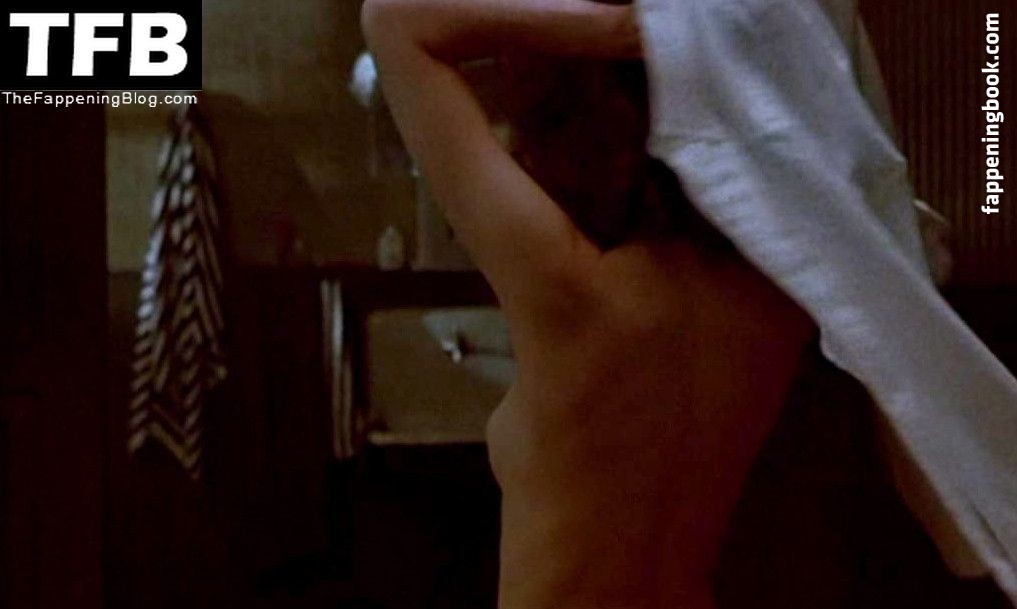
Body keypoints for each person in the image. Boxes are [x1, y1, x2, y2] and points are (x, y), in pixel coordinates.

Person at [361, 1, 815, 607]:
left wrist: (622, 30)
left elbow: (392, 20)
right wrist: (697, 40)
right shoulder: (778, 305)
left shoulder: (569, 285)